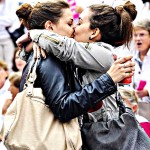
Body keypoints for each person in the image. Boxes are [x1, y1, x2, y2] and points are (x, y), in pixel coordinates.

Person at [15, 1, 134, 149]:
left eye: (78, 23)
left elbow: (67, 48)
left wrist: (34, 34)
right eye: (71, 23)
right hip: (95, 133)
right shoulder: (60, 55)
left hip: (108, 133)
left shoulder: (103, 53)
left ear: (94, 32)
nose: (74, 28)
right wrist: (34, 43)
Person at [131, 18, 150, 121]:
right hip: (139, 111)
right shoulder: (132, 57)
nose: (138, 38)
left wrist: (147, 92)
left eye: (142, 35)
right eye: (135, 35)